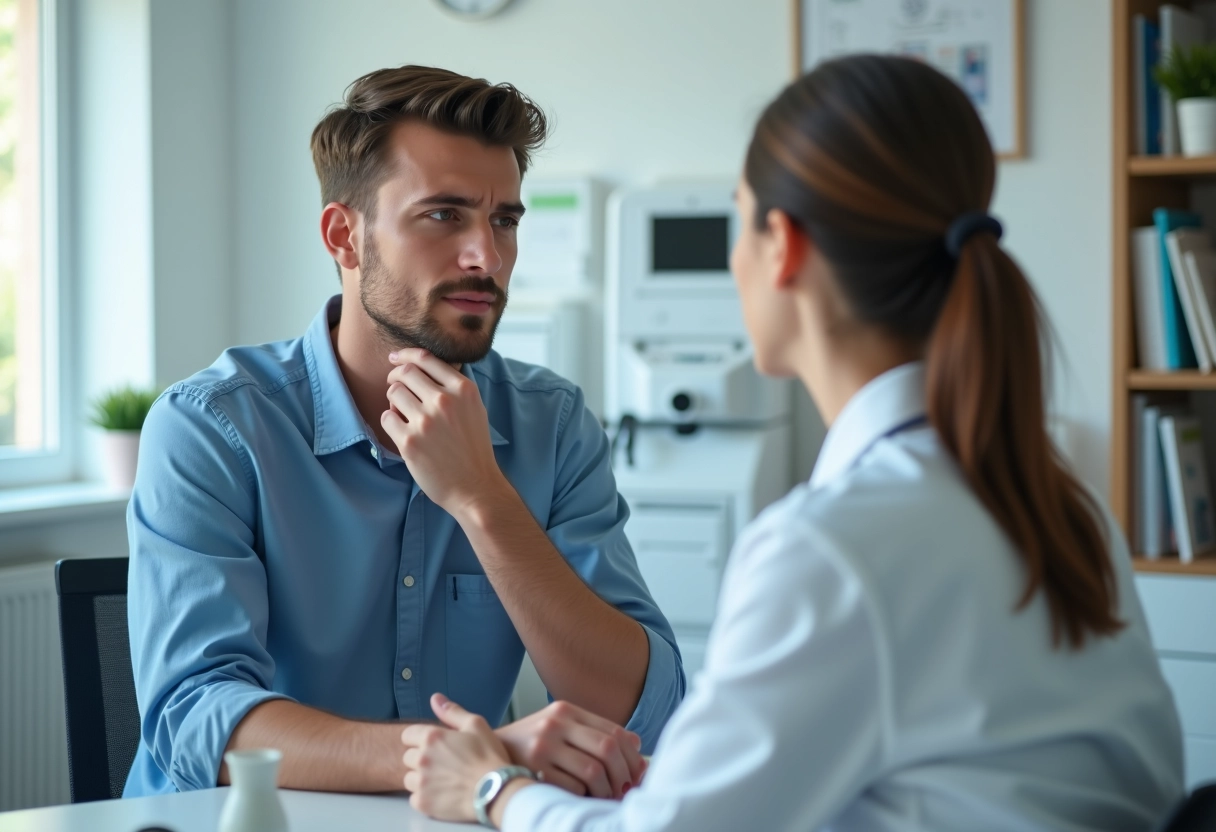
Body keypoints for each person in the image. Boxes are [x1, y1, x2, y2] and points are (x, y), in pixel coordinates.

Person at [397, 55, 1186, 831]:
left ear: (786, 247)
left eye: (738, 223)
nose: (487, 254)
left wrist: (493, 788)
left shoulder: (836, 548)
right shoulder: (1059, 501)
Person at [124, 66, 684, 799]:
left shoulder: (551, 423)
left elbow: (641, 706)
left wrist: (484, 500)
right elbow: (196, 716)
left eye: (505, 220)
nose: (487, 255)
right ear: (344, 236)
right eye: (444, 215)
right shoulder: (213, 427)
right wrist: (461, 758)